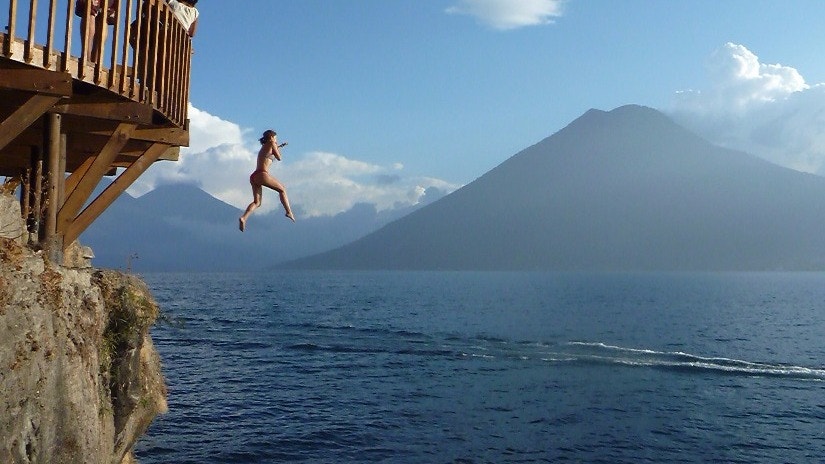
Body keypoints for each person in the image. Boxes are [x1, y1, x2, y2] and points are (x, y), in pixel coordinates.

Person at [239, 130, 295, 231]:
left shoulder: (264, 147)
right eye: (276, 138)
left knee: (257, 203)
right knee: (282, 189)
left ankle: (244, 218)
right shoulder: (272, 143)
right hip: (262, 174)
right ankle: (288, 211)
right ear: (272, 137)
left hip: (254, 176)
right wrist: (278, 148)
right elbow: (279, 158)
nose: (276, 141)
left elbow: (270, 153)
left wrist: (280, 146)